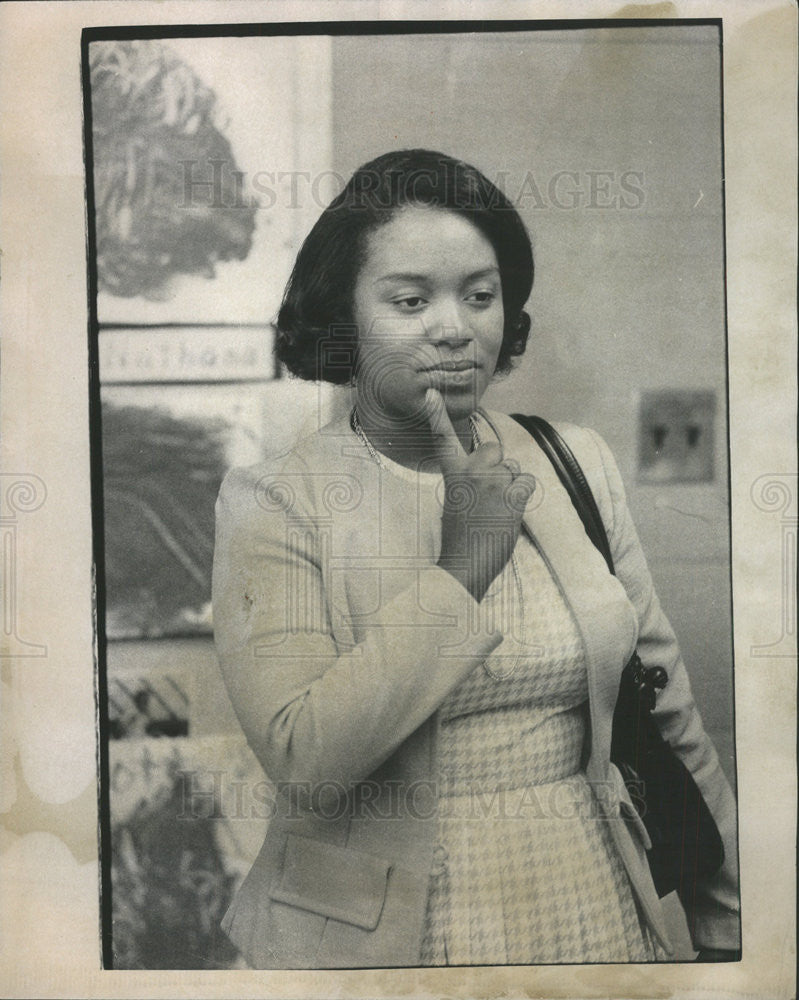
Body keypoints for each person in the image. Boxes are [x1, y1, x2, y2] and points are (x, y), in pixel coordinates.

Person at [212, 149, 740, 968]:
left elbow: (668, 715)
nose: (456, 327)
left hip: (589, 897)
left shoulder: (572, 460)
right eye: (410, 300)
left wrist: (726, 927)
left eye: (480, 295)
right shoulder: (276, 498)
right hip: (385, 941)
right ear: (342, 320)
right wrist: (462, 569)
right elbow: (304, 759)